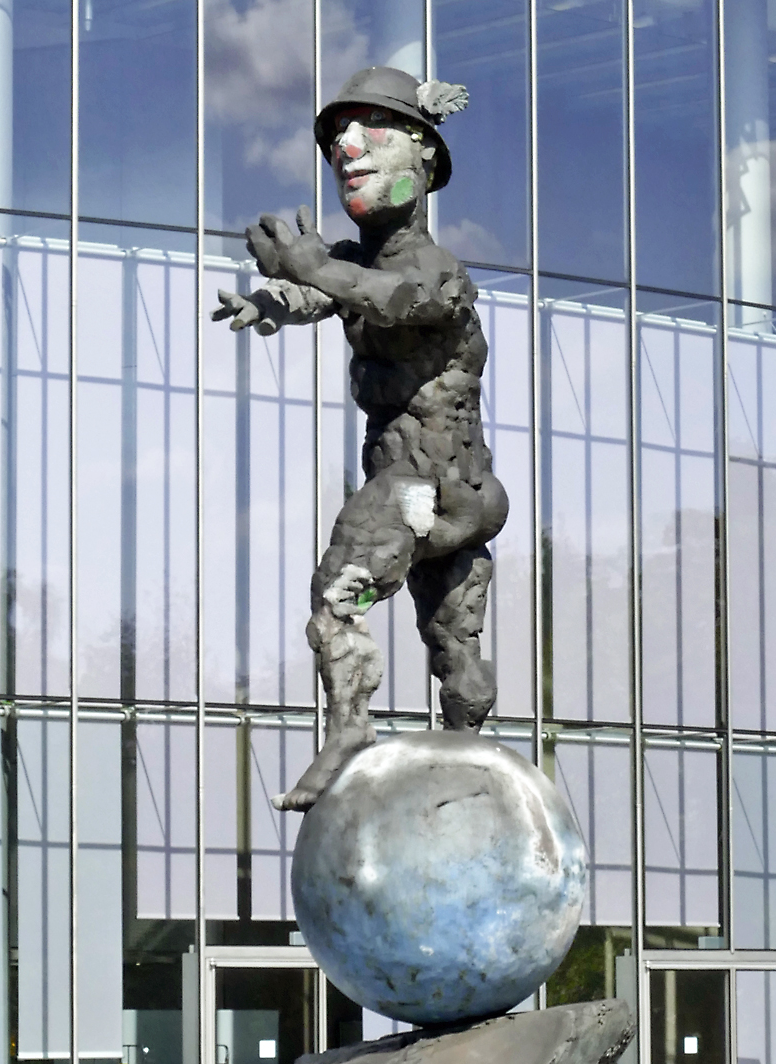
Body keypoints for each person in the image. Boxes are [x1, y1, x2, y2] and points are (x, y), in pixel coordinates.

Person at [212, 67, 508, 810]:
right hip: (458, 498)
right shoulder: (351, 261)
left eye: (371, 129)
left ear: (423, 155)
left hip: (423, 486)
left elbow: (390, 300)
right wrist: (272, 298)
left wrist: (311, 269)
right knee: (456, 652)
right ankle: (474, 778)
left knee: (334, 597)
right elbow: (323, 289)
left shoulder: (439, 273)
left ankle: (350, 729)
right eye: (337, 137)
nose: (347, 145)